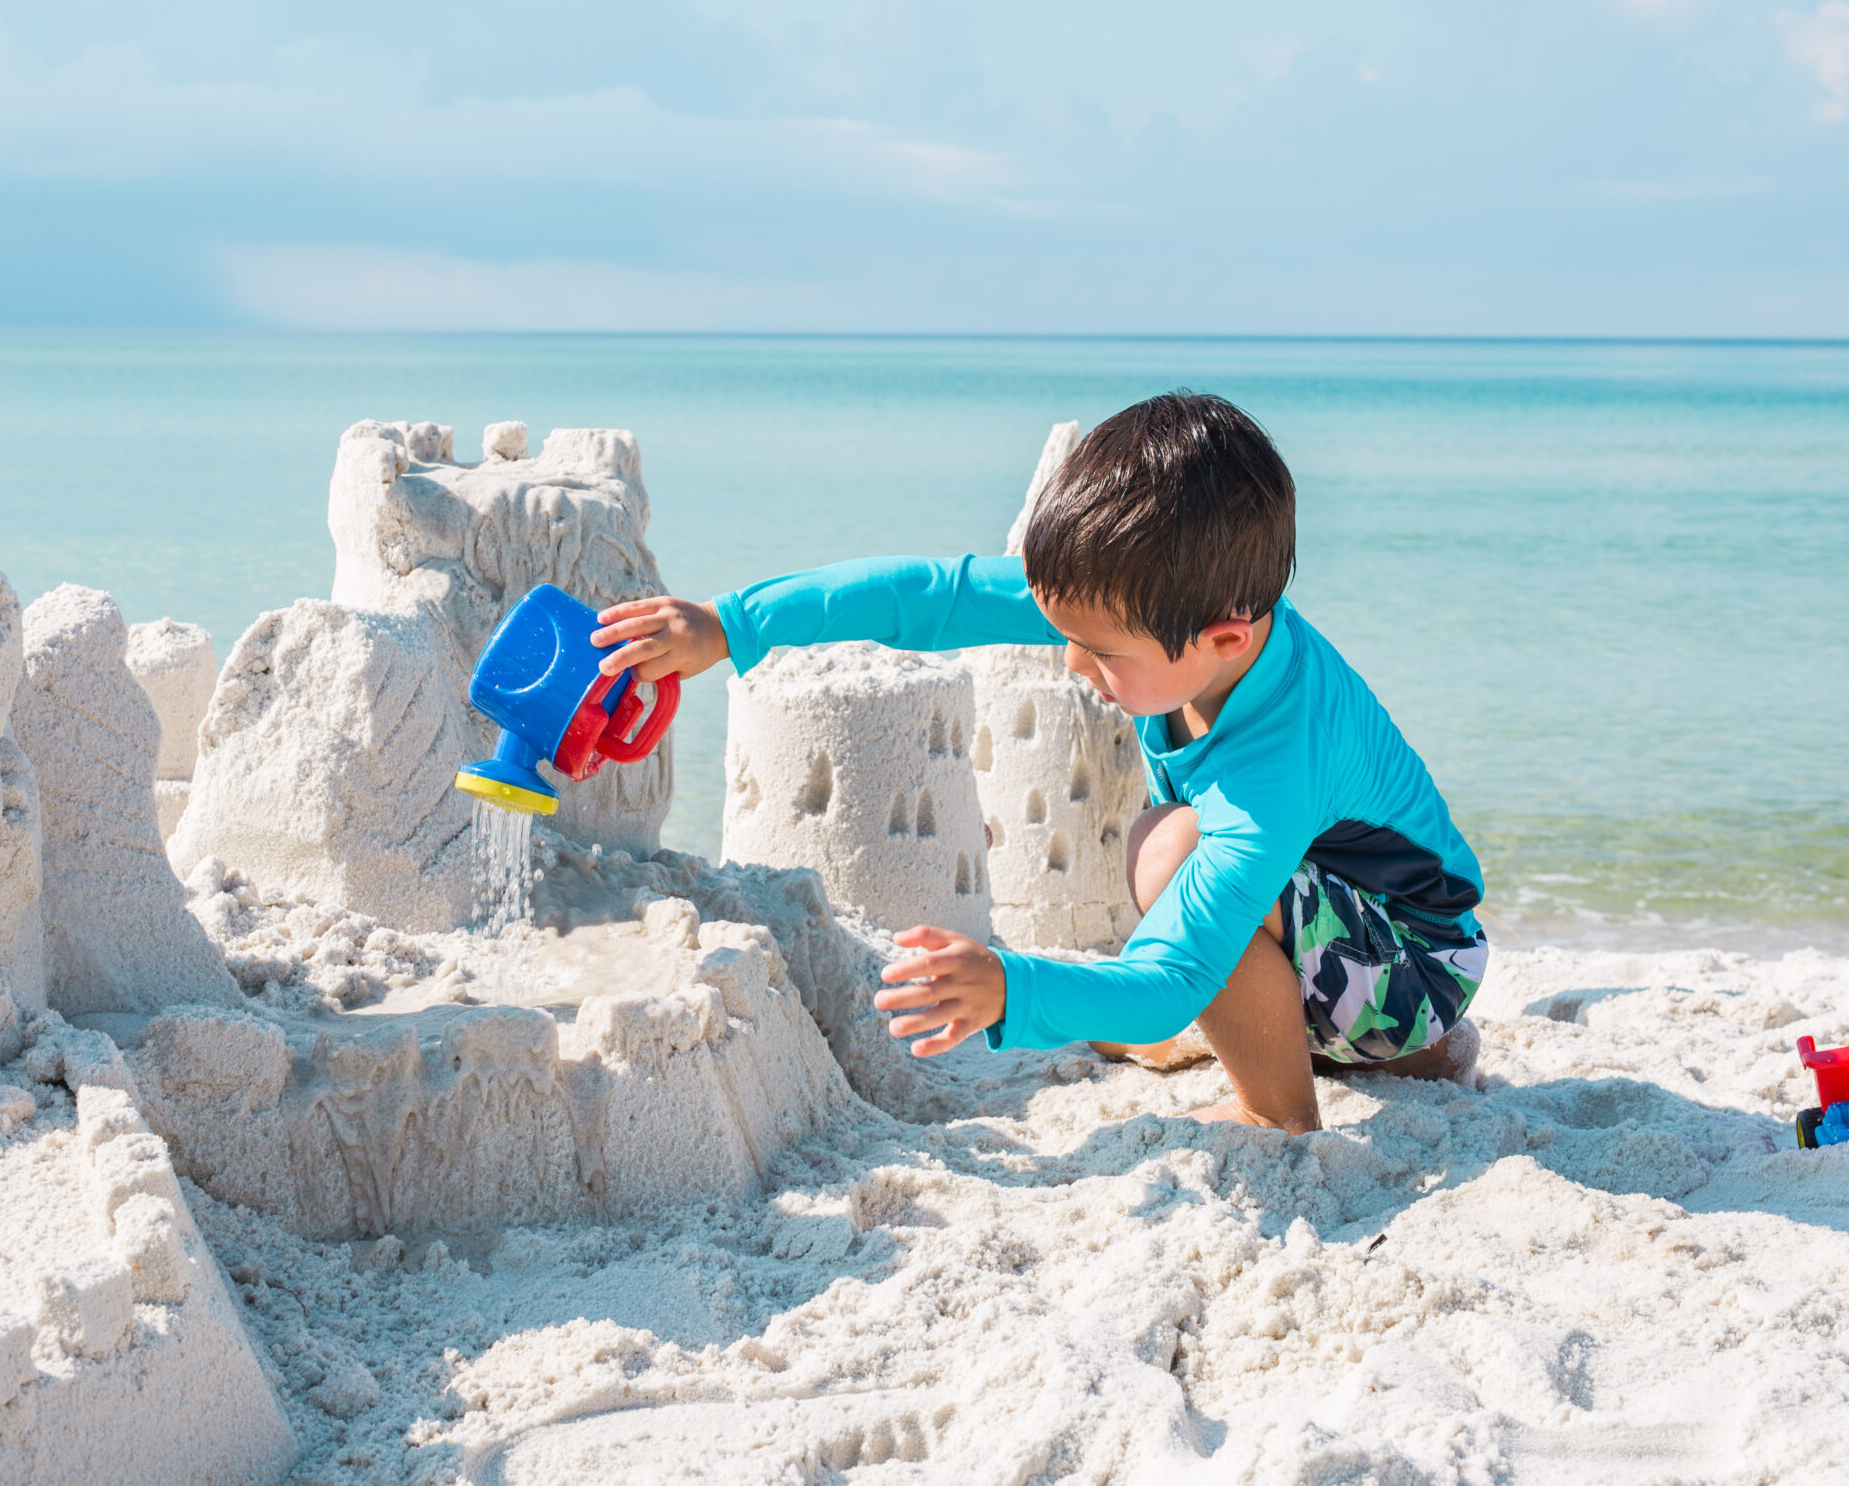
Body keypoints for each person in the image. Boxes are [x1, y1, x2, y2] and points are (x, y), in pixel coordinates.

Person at [590, 390, 1486, 1133]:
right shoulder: (1152, 604)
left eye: (1097, 651)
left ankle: (1277, 1111)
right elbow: (929, 598)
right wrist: (732, 624)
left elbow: (1172, 982)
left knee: (1173, 854)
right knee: (1158, 843)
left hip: (1418, 958)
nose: (1069, 662)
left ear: (1223, 635)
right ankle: (1418, 1056)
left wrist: (1008, 986)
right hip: (1356, 940)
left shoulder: (1279, 758)